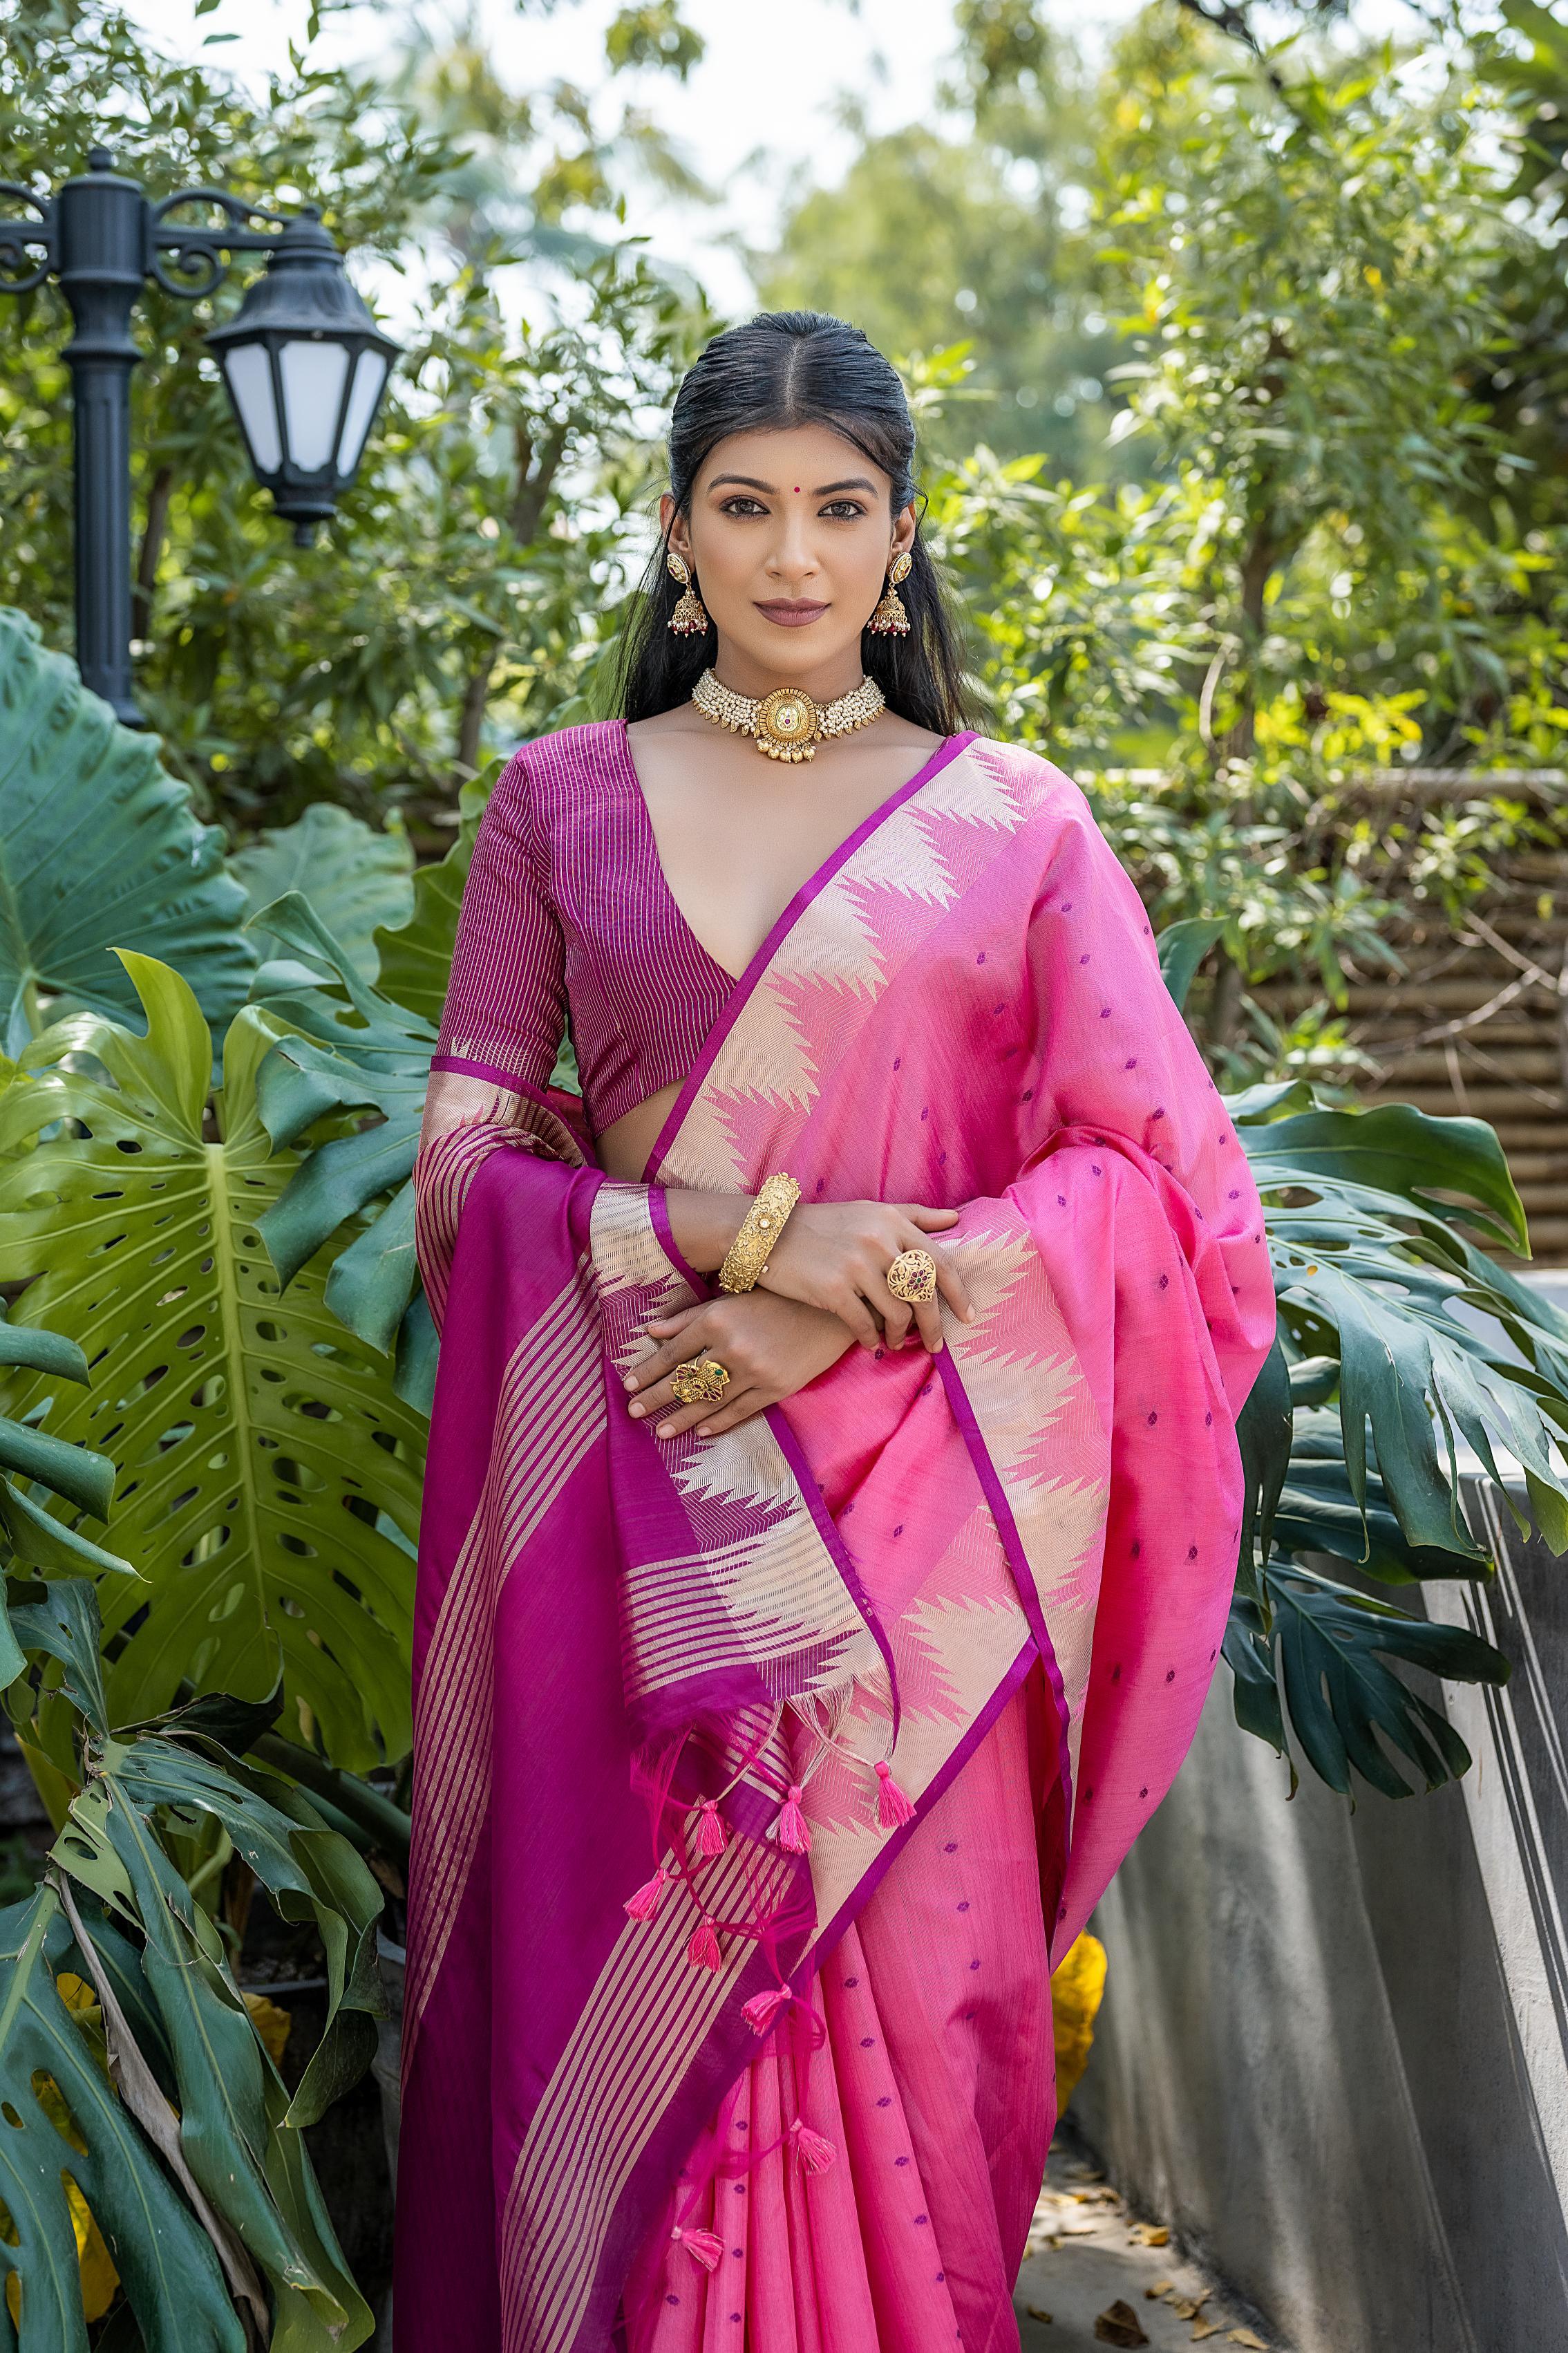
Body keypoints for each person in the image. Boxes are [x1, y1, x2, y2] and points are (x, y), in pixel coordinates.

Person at [397, 310, 1274, 2353]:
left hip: (924, 1540)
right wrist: (755, 1239)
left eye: (840, 508)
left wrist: (839, 1322)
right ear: (677, 535)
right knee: (620, 2038)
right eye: (746, 507)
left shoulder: (1018, 825)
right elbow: (461, 1171)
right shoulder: (557, 804)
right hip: (646, 1501)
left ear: (901, 538)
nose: (793, 556)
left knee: (908, 2039)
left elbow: (1161, 1195)